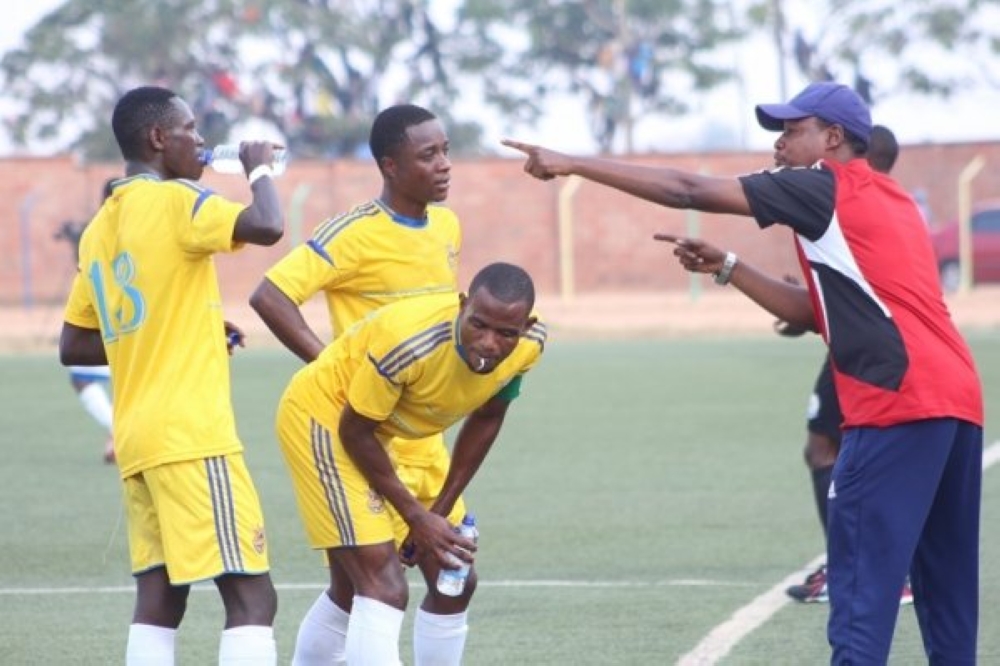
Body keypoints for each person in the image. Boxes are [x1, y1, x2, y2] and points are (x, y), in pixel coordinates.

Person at [504, 82, 983, 665]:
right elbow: (814, 314)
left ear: (833, 139)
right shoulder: (892, 199)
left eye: (792, 130)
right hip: (957, 403)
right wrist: (731, 267)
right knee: (947, 597)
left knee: (861, 602)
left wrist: (573, 162)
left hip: (895, 404)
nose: (779, 144)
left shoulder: (820, 187)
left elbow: (686, 189)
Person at [58, 85, 286, 665]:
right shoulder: (178, 200)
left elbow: (75, 343)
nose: (202, 141)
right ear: (159, 138)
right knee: (252, 597)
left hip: (137, 438)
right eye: (191, 129)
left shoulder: (100, 227)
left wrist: (177, 336)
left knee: (160, 598)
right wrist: (258, 170)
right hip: (190, 435)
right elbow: (267, 225)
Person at [248, 104, 469, 665]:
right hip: (360, 437)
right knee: (370, 586)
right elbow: (270, 296)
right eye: (429, 155)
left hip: (422, 441)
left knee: (453, 576)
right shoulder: (354, 232)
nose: (444, 164)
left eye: (446, 150)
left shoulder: (446, 226)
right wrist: (332, 370)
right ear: (390, 166)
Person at [275, 262, 546, 665]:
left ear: (526, 326)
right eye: (479, 325)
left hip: (386, 434)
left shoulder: (529, 346)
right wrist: (415, 516)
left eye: (506, 333)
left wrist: (435, 514)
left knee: (453, 578)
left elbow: (488, 416)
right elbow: (354, 431)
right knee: (382, 586)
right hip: (325, 419)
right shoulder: (409, 343)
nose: (490, 343)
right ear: (462, 305)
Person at [779, 124, 913, 605]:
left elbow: (690, 190)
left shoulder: (851, 205)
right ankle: (873, 567)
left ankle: (862, 568)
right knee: (841, 452)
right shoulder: (893, 209)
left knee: (830, 450)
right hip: (872, 352)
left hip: (870, 359)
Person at [56, 178, 118, 463]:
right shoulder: (98, 230)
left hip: (117, 322)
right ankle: (117, 433)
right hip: (110, 321)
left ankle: (119, 433)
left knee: (84, 377)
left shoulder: (99, 231)